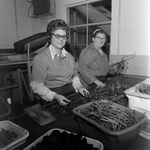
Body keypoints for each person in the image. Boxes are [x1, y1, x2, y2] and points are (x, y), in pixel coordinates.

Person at [30, 19, 89, 106]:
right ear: (50, 36)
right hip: (51, 97)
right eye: (57, 36)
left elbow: (74, 77)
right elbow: (36, 85)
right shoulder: (40, 58)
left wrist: (80, 88)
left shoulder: (70, 57)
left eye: (64, 36)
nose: (61, 39)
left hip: (70, 93)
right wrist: (55, 96)